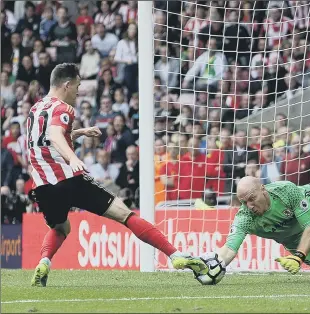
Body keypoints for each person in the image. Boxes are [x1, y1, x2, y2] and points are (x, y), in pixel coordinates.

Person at [27, 63, 207, 287]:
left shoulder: (36, 109)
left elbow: (46, 138)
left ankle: (44, 262)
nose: (78, 91)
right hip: (68, 177)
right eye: (77, 86)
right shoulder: (64, 108)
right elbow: (54, 136)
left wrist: (80, 132)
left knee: (61, 227)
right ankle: (175, 255)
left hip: (43, 186)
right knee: (126, 215)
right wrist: (72, 158)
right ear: (66, 85)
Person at [214, 176, 310, 279]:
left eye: (252, 198)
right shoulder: (245, 217)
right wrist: (213, 264)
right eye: (243, 202)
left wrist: (299, 256)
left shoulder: (285, 191)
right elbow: (229, 249)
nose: (249, 206)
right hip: (293, 238)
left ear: (263, 189)